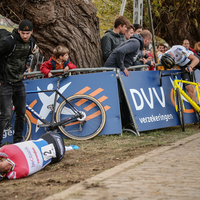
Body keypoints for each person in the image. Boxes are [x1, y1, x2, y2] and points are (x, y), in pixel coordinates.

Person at [0, 19, 35, 147]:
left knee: (21, 112)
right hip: (5, 82)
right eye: (23, 33)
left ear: (31, 32)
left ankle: (18, 142)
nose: (25, 36)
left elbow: (26, 57)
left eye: (28, 33)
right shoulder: (9, 42)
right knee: (6, 115)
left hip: (19, 82)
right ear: (18, 31)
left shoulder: (31, 42)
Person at [0, 132, 65, 180]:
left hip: (58, 154)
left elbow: (7, 176)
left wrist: (4, 175)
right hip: (52, 137)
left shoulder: (16, 173)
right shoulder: (6, 150)